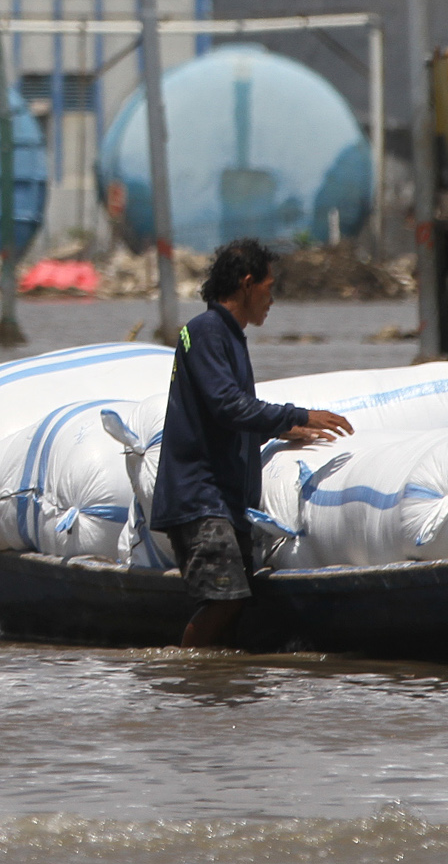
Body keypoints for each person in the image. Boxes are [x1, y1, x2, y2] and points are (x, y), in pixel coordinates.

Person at [148, 238, 352, 648]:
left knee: (236, 611)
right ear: (246, 283)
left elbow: (225, 419)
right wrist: (296, 415)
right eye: (269, 287)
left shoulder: (227, 337)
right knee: (225, 601)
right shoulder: (206, 332)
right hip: (201, 500)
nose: (271, 299)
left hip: (224, 501)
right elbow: (227, 406)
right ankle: (181, 673)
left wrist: (280, 430)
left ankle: (215, 690)